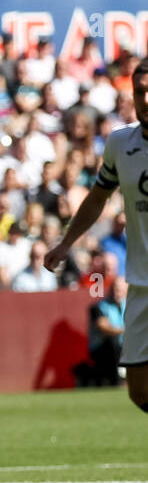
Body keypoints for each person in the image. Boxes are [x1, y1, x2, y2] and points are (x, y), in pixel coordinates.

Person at [46, 60, 148, 412]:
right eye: (140, 92)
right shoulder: (121, 143)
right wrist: (65, 243)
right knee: (139, 392)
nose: (146, 99)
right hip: (140, 286)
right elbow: (97, 198)